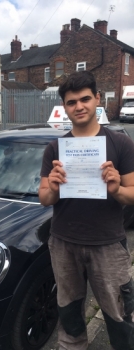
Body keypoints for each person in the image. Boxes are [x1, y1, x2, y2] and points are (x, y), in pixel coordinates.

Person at [38, 70, 134, 350]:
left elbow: (132, 194)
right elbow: (45, 198)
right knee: (68, 309)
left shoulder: (120, 144)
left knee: (118, 312)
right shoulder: (55, 148)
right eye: (71, 102)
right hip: (64, 243)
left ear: (97, 99)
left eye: (84, 99)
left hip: (107, 245)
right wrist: (54, 187)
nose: (78, 106)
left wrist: (116, 189)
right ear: (64, 107)